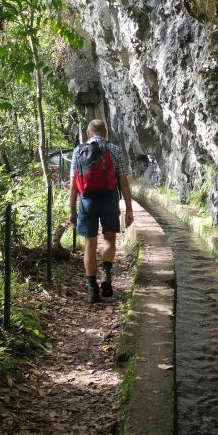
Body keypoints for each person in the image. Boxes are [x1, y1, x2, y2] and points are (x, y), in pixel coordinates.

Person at [69, 119, 134, 303]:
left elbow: (73, 186)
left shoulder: (78, 151)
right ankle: (105, 272)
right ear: (105, 133)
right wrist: (129, 209)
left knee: (90, 243)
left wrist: (73, 210)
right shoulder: (114, 150)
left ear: (89, 133)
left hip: (87, 201)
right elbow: (123, 181)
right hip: (109, 199)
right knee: (109, 238)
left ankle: (92, 290)